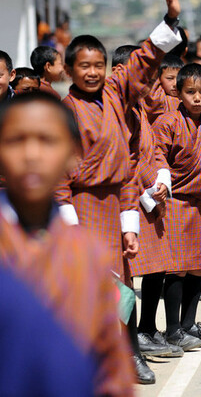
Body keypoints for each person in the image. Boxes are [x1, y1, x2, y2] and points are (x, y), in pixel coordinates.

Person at [55, 0, 183, 383]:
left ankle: (130, 355)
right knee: (93, 289)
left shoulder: (113, 92)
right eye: (84, 66)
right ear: (69, 69)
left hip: (118, 204)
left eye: (98, 65)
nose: (92, 72)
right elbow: (58, 173)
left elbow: (143, 61)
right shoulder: (63, 111)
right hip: (81, 205)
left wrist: (170, 19)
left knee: (124, 286)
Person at [0, 93, 135, 396]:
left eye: (48, 141)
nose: (32, 154)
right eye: (15, 140)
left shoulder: (88, 253)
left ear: (72, 154)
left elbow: (110, 364)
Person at [111, 46, 186, 360]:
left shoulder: (140, 109)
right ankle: (123, 345)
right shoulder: (110, 110)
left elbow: (152, 151)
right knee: (123, 275)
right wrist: (144, 191)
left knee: (156, 266)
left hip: (149, 196)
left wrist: (162, 181)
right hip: (123, 201)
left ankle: (146, 328)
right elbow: (119, 162)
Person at [152, 63, 201, 349]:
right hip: (176, 203)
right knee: (178, 268)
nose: (197, 98)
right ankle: (172, 330)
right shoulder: (167, 122)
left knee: (198, 267)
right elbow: (156, 158)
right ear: (177, 92)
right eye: (190, 91)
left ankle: (189, 324)